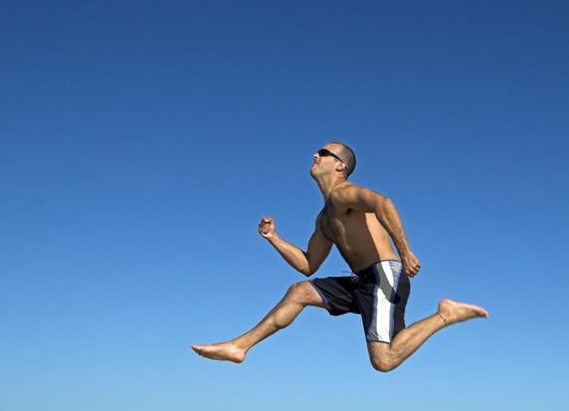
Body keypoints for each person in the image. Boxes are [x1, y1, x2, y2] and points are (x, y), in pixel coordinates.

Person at [191, 142, 488, 372]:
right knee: (299, 291)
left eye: (323, 152)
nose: (315, 155)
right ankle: (239, 347)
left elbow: (382, 203)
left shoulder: (342, 194)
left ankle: (444, 315)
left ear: (340, 165)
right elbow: (308, 265)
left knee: (383, 361)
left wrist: (405, 250)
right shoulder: (324, 218)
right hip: (362, 281)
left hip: (384, 276)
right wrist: (274, 239)